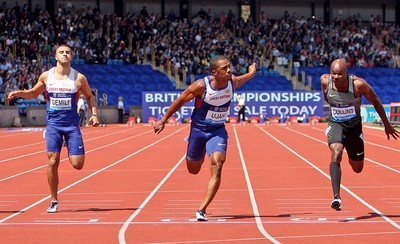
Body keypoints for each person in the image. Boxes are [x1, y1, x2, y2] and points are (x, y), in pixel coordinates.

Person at [154, 55, 256, 221]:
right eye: (225, 68)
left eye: (229, 66)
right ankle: (198, 151)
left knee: (218, 163)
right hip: (198, 131)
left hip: (218, 130)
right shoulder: (202, 86)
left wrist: (251, 73)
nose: (229, 70)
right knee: (193, 169)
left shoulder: (231, 82)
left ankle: (202, 209)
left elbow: (242, 78)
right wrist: (163, 120)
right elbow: (180, 100)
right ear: (214, 73)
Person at [7, 43, 100, 213]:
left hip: (71, 126)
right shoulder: (46, 76)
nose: (65, 54)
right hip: (54, 126)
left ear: (71, 56)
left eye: (68, 52)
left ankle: (67, 143)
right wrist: (19, 92)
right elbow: (34, 93)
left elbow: (89, 96)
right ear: (56, 57)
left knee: (78, 165)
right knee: (52, 162)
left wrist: (94, 114)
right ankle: (54, 200)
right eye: (61, 52)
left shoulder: (79, 78)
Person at [320, 58, 398, 211]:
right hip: (336, 124)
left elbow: (375, 100)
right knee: (336, 151)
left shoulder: (358, 85)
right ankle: (336, 197)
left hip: (354, 128)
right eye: (333, 74)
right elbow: (326, 96)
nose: (336, 77)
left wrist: (387, 125)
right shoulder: (325, 81)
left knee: (357, 168)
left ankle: (351, 149)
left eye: (339, 74)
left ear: (346, 73)